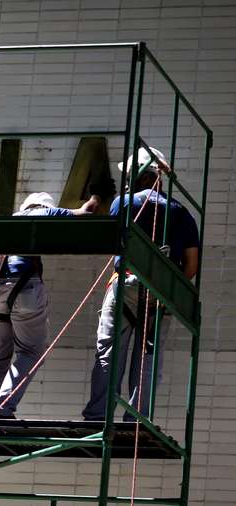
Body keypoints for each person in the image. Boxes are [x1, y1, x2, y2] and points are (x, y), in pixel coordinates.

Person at [82, 146, 200, 421]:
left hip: (124, 286)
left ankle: (97, 417)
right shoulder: (181, 213)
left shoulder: (123, 203)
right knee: (148, 360)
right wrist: (169, 290)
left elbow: (110, 242)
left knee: (110, 355)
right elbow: (191, 265)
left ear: (142, 175)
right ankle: (136, 420)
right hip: (160, 293)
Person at [0, 191, 101, 420]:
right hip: (23, 286)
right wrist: (97, 196)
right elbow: (85, 212)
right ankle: (1, 410)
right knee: (30, 352)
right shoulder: (42, 212)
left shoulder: (7, 221)